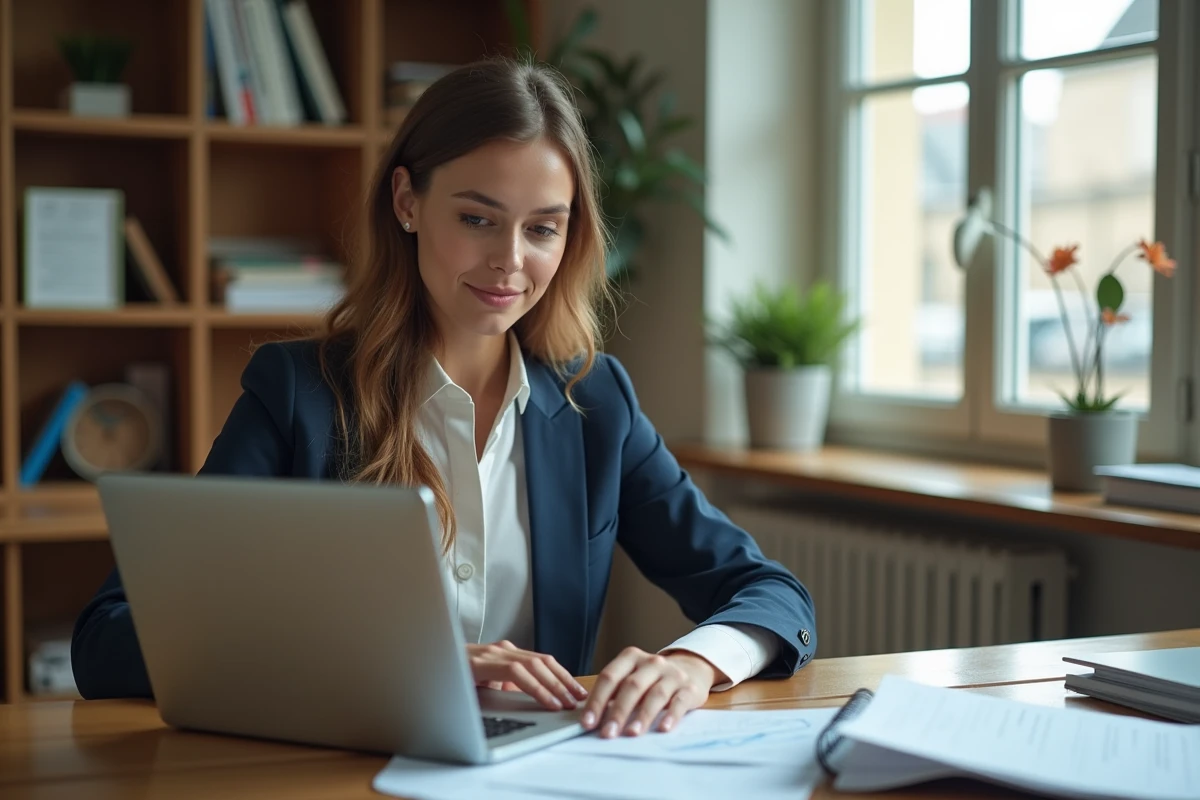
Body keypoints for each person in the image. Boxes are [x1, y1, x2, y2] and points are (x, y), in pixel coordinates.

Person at [71, 56, 817, 740]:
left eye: (543, 230)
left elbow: (769, 594)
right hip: (344, 770)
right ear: (406, 201)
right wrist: (407, 666)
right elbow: (110, 638)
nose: (510, 261)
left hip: (538, 776)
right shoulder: (298, 393)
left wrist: (693, 664)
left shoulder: (598, 404)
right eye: (476, 218)